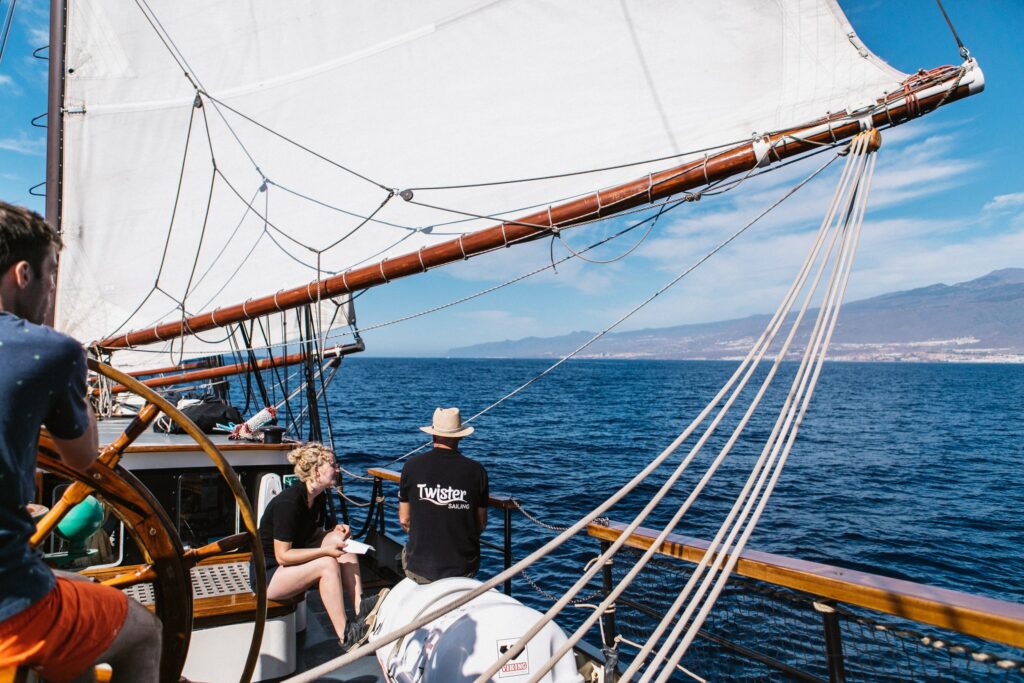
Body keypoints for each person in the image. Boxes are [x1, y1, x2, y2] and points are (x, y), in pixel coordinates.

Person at [0, 202, 162, 683]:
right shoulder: (50, 350)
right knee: (144, 630)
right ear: (23, 273)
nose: (53, 290)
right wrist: (74, 380)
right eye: (52, 276)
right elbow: (83, 457)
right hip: (10, 605)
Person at [256, 442, 379, 650]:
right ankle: (345, 635)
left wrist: (335, 532)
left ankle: (361, 610)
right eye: (332, 464)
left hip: (289, 567)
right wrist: (325, 551)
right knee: (327, 564)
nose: (337, 469)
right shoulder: (290, 503)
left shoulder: (317, 497)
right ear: (316, 470)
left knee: (345, 548)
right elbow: (282, 556)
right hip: (268, 576)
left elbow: (312, 535)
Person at [398, 407, 489, 583]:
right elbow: (481, 523)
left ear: (433, 434)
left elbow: (404, 520)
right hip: (463, 568)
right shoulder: (477, 471)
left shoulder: (411, 466)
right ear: (460, 436)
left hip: (419, 567)